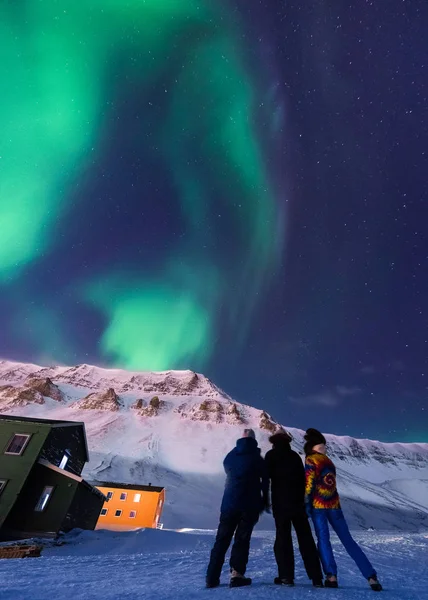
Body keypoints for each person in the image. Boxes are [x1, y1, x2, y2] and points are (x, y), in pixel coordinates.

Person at [304, 428, 383, 592]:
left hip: (319, 507)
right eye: (322, 444)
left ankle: (331, 576)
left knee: (324, 541)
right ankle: (371, 576)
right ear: (315, 445)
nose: (325, 447)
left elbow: (309, 485)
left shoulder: (311, 460)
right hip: (335, 506)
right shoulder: (329, 461)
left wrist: (306, 505)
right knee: (348, 540)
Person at [206, 428, 269, 589]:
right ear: (254, 440)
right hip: (249, 506)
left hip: (229, 504)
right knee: (241, 540)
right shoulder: (257, 458)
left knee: (221, 540)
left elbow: (227, 467)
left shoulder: (231, 456)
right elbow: (265, 480)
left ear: (241, 439)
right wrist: (264, 500)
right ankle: (236, 575)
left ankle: (211, 578)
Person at [265, 430, 324, 587]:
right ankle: (316, 577)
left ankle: (286, 577)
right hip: (297, 503)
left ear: (274, 442)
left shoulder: (271, 455)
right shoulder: (294, 456)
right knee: (305, 539)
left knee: (283, 539)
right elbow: (304, 480)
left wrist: (265, 499)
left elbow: (266, 478)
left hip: (280, 503)